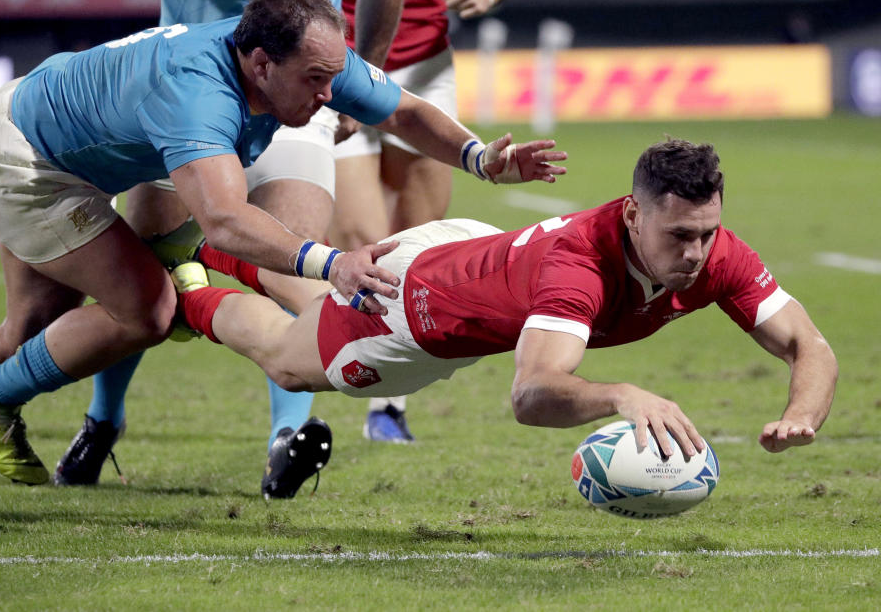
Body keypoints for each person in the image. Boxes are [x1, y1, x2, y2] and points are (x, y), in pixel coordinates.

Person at [0, 0, 567, 511]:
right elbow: (226, 220)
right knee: (146, 309)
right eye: (315, 83)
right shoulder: (197, 96)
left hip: (51, 129)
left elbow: (399, 110)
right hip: (22, 160)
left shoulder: (298, 54)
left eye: (331, 81)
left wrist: (480, 158)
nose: (327, 99)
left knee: (33, 323)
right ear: (261, 64)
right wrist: (332, 260)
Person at [162, 138, 837, 466]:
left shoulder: (717, 255)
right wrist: (624, 395)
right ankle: (176, 295)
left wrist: (800, 416)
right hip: (422, 308)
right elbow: (532, 394)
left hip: (474, 249)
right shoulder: (582, 271)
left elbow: (810, 345)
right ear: (633, 215)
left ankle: (211, 255)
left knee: (323, 312)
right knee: (290, 359)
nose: (695, 253)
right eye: (679, 235)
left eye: (707, 233)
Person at [65, 0, 407, 495]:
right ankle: (103, 421)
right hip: (188, 88)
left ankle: (286, 439)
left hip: (295, 91)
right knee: (144, 271)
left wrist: (354, 79)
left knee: (293, 260)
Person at [331, 0, 524, 441]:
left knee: (418, 244)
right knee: (362, 236)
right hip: (333, 65)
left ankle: (387, 405)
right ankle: (319, 380)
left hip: (422, 65)